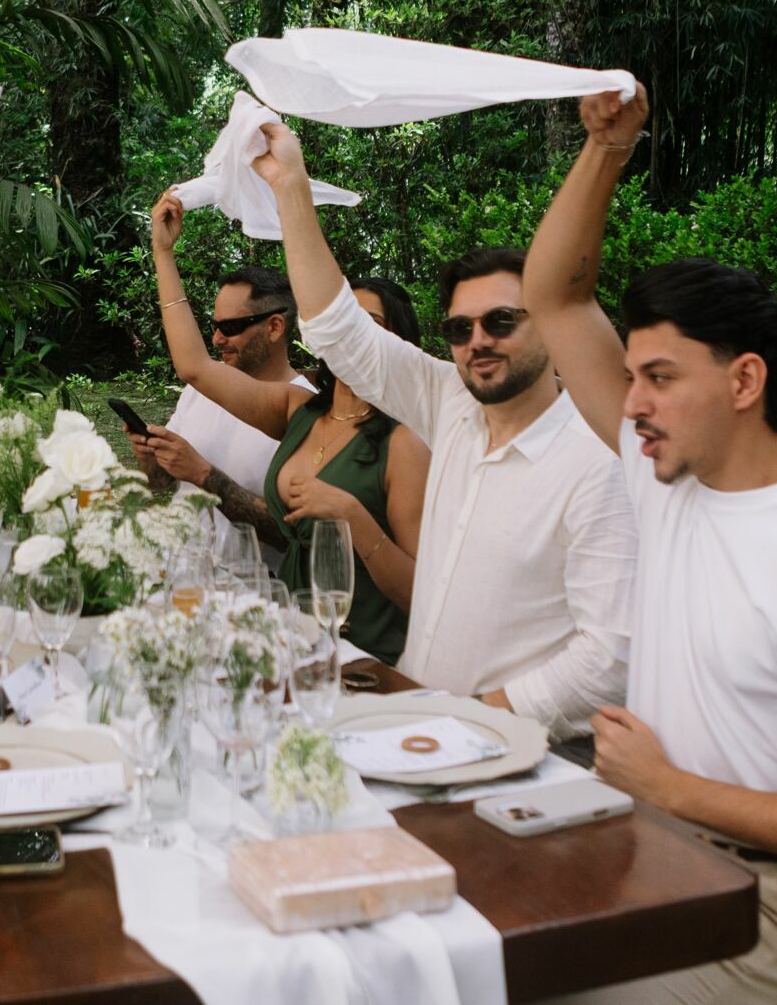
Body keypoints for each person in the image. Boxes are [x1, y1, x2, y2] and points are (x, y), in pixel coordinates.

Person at [522, 84, 777, 1003]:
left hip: (770, 907)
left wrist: (671, 786)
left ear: (744, 379)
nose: (631, 405)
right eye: (631, 377)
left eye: (659, 378)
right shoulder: (668, 479)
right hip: (644, 844)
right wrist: (607, 151)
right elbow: (551, 294)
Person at [253, 130, 637, 739]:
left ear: (552, 325)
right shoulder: (450, 400)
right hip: (412, 716)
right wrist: (290, 188)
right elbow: (337, 332)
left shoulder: (600, 462)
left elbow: (609, 655)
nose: (477, 340)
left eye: (501, 321)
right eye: (460, 328)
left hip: (515, 751)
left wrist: (479, 714)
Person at [141, 191, 427, 661]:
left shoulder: (405, 442)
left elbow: (424, 595)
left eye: (368, 323)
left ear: (400, 342)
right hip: (289, 639)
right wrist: (163, 253)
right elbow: (194, 366)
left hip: (363, 657)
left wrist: (352, 518)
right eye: (344, 319)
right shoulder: (302, 410)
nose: (351, 333)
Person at [128, 253, 315, 564]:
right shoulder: (201, 391)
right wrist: (151, 459)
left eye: (231, 327)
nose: (216, 339)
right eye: (214, 326)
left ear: (275, 327)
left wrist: (204, 474)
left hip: (255, 592)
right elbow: (159, 483)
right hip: (179, 577)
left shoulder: (307, 410)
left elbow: (291, 535)